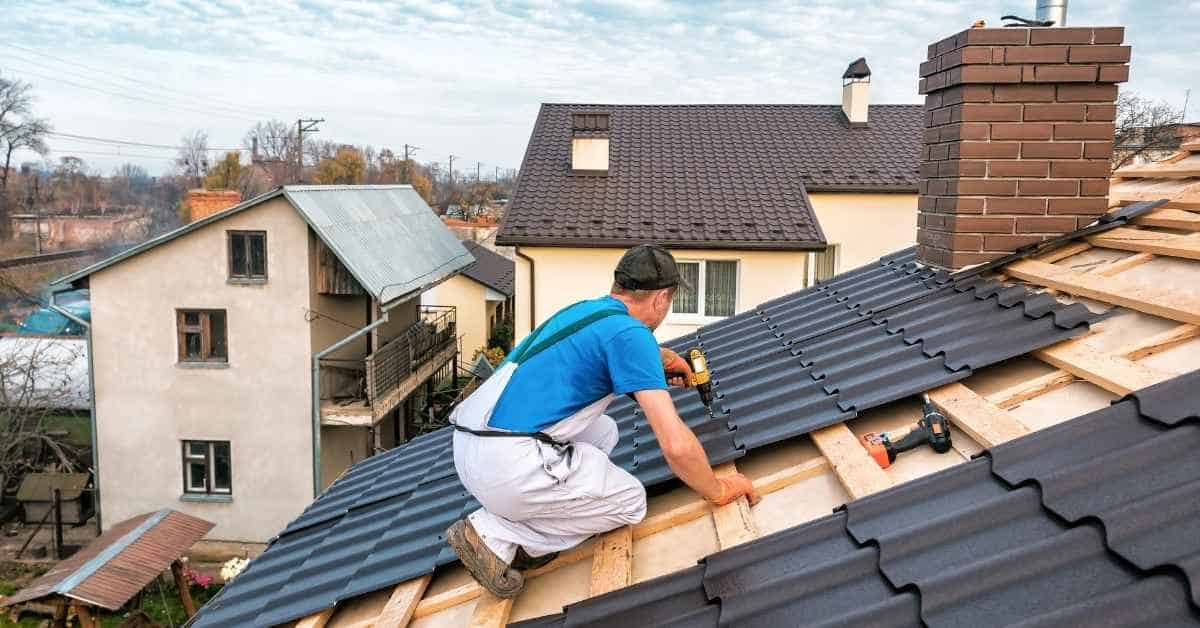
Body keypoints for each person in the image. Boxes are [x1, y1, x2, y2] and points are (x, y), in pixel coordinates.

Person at [445, 244, 760, 598]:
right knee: (630, 501)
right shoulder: (631, 335)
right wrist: (718, 490)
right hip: (506, 467)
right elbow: (674, 443)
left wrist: (661, 359)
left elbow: (604, 354)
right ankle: (496, 535)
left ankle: (532, 515)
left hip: (472, 446)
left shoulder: (587, 312)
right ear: (660, 299)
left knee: (605, 429)